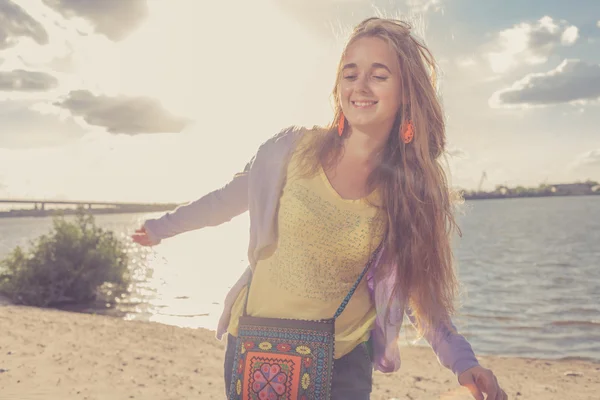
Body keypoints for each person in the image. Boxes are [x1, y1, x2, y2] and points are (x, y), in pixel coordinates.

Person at [132, 17, 508, 400]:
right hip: (257, 348)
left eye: (379, 75)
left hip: (342, 363)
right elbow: (224, 202)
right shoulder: (290, 152)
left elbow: (419, 294)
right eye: (350, 73)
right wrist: (161, 227)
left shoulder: (408, 191)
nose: (360, 86)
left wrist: (465, 363)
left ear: (407, 93)